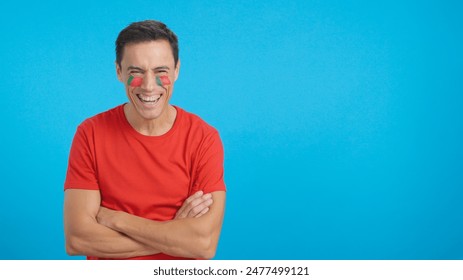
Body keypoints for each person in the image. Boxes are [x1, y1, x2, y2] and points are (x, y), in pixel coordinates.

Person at [63, 20, 226, 260]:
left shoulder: (203, 139)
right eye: (136, 72)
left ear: (177, 70)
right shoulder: (90, 133)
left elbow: (203, 244)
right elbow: (78, 239)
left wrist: (118, 219)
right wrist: (173, 233)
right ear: (119, 71)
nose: (149, 86)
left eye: (161, 72)